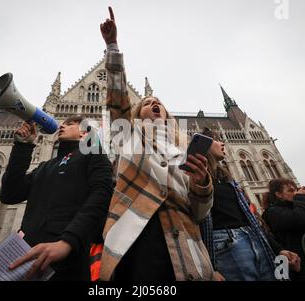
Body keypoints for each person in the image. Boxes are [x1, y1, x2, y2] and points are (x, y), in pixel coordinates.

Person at [98, 7, 216, 281]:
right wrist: (113, 47)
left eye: (158, 104)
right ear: (137, 114)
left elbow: (200, 212)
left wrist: (201, 184)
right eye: (147, 103)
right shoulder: (127, 136)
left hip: (186, 243)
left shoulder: (184, 148)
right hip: (138, 236)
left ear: (166, 113)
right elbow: (117, 101)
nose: (153, 105)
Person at [0, 116, 114, 280]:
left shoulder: (94, 155)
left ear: (84, 134)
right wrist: (22, 147)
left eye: (70, 124)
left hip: (64, 261)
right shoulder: (45, 167)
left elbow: (101, 195)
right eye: (63, 123)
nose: (62, 125)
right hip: (25, 256)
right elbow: (10, 194)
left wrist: (67, 242)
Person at [199, 129, 300, 281]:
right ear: (203, 145)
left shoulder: (228, 180)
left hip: (254, 240)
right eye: (216, 140)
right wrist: (210, 268)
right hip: (227, 247)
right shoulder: (197, 181)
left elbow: (251, 220)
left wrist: (279, 250)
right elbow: (196, 227)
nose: (222, 143)